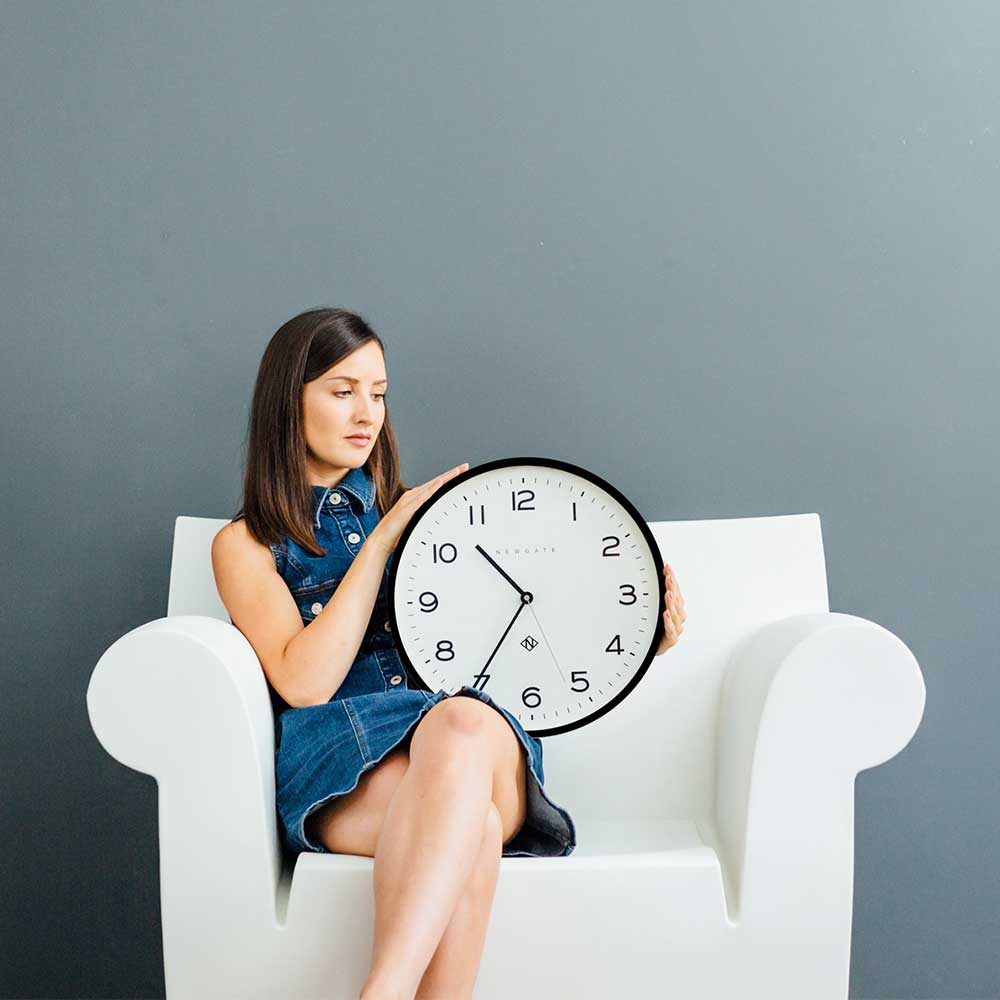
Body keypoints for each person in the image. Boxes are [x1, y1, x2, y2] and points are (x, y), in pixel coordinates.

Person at [211, 306, 577, 1000]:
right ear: (289, 403)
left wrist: (646, 630)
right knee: (473, 825)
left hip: (464, 745)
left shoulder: (431, 518)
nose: (367, 414)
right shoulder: (246, 545)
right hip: (344, 764)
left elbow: (520, 623)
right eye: (342, 391)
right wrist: (380, 544)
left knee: (460, 721)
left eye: (378, 394)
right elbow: (306, 684)